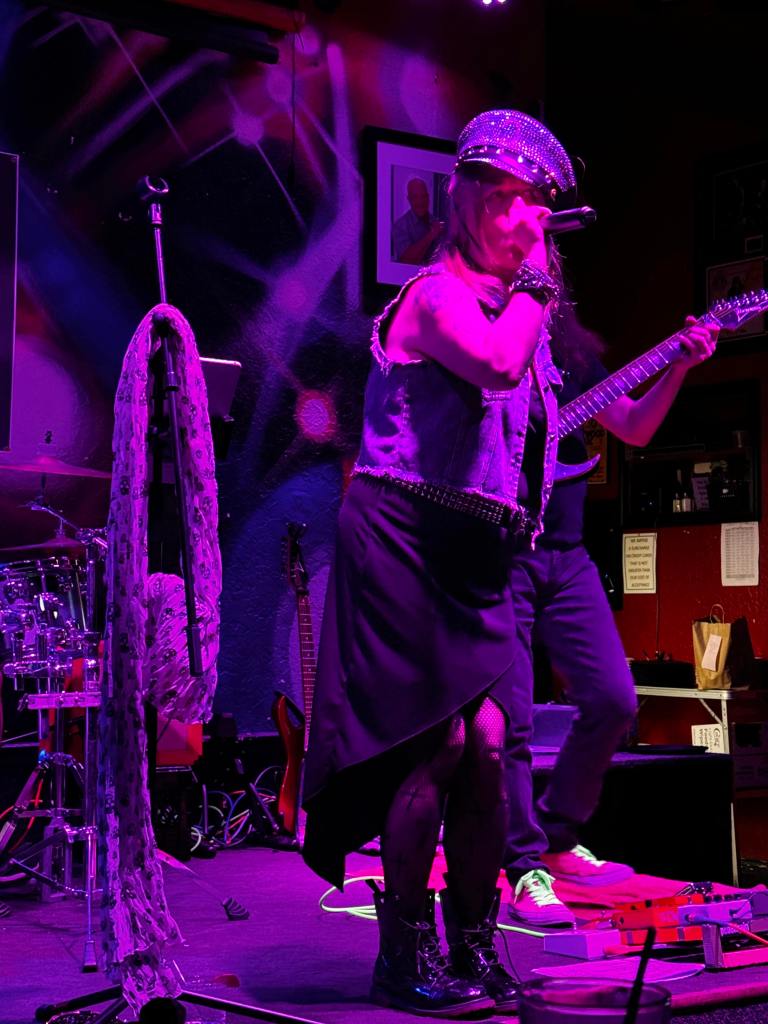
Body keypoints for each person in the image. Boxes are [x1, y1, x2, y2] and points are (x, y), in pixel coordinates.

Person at [302, 109, 575, 1017]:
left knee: (491, 746)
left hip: (472, 550)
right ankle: (403, 952)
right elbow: (494, 365)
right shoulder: (432, 298)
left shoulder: (519, 312)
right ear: (466, 202)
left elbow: (523, 440)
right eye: (505, 200)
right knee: (440, 742)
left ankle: (474, 942)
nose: (523, 219)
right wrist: (538, 283)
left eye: (534, 204)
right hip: (401, 537)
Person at [502, 295, 719, 927]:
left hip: (566, 553)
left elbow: (634, 427)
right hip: (503, 551)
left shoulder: (572, 352)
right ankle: (523, 866)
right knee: (510, 721)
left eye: (542, 255)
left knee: (614, 700)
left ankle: (557, 835)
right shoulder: (487, 347)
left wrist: (678, 366)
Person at [391, 176, 444, 264]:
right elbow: (406, 261)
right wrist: (431, 235)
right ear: (409, 199)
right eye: (415, 197)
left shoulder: (436, 223)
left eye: (423, 196)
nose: (420, 201)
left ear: (428, 198)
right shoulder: (399, 226)